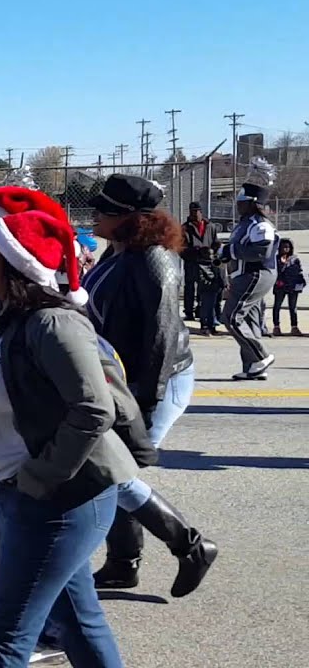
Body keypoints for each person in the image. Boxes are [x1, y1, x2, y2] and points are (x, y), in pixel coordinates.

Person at [0, 209, 134, 667]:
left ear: (17, 267)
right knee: (78, 622)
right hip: (22, 490)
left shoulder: (53, 325)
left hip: (62, 499)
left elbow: (94, 409)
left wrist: (41, 476)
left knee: (5, 639)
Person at [84, 174, 218, 597]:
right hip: (123, 378)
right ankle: (124, 563)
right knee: (112, 471)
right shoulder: (118, 253)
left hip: (155, 380)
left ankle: (190, 546)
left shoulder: (153, 258)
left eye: (102, 211)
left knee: (114, 472)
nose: (93, 217)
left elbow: (161, 333)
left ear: (128, 218)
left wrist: (145, 398)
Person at [220, 173, 278, 380]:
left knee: (231, 317)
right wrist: (223, 254)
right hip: (244, 275)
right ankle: (253, 366)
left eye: (242, 202)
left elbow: (262, 251)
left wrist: (231, 252)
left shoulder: (260, 224)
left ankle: (261, 356)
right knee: (250, 320)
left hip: (255, 275)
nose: (238, 205)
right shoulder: (246, 223)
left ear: (253, 203)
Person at [181, 202, 220, 322]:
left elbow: (215, 242)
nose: (195, 213)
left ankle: (201, 309)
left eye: (197, 211)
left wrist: (213, 251)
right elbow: (181, 248)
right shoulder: (185, 228)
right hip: (192, 261)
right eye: (192, 211)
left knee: (204, 288)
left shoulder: (210, 226)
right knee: (190, 287)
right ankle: (189, 311)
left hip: (207, 262)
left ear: (201, 212)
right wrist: (196, 251)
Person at [272, 238, 304, 336]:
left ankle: (294, 327)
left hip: (292, 287)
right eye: (284, 247)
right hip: (280, 286)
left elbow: (299, 272)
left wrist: (300, 283)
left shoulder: (295, 259)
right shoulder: (276, 259)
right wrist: (277, 281)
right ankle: (276, 327)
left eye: (288, 247)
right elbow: (273, 272)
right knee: (277, 306)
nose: (286, 249)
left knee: (293, 307)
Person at [195, 247, 226, 337]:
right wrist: (213, 284)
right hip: (207, 290)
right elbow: (201, 279)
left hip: (216, 290)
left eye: (212, 254)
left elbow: (221, 275)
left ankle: (212, 326)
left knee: (215, 308)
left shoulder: (214, 263)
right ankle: (205, 327)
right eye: (209, 254)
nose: (211, 256)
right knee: (206, 309)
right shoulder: (200, 265)